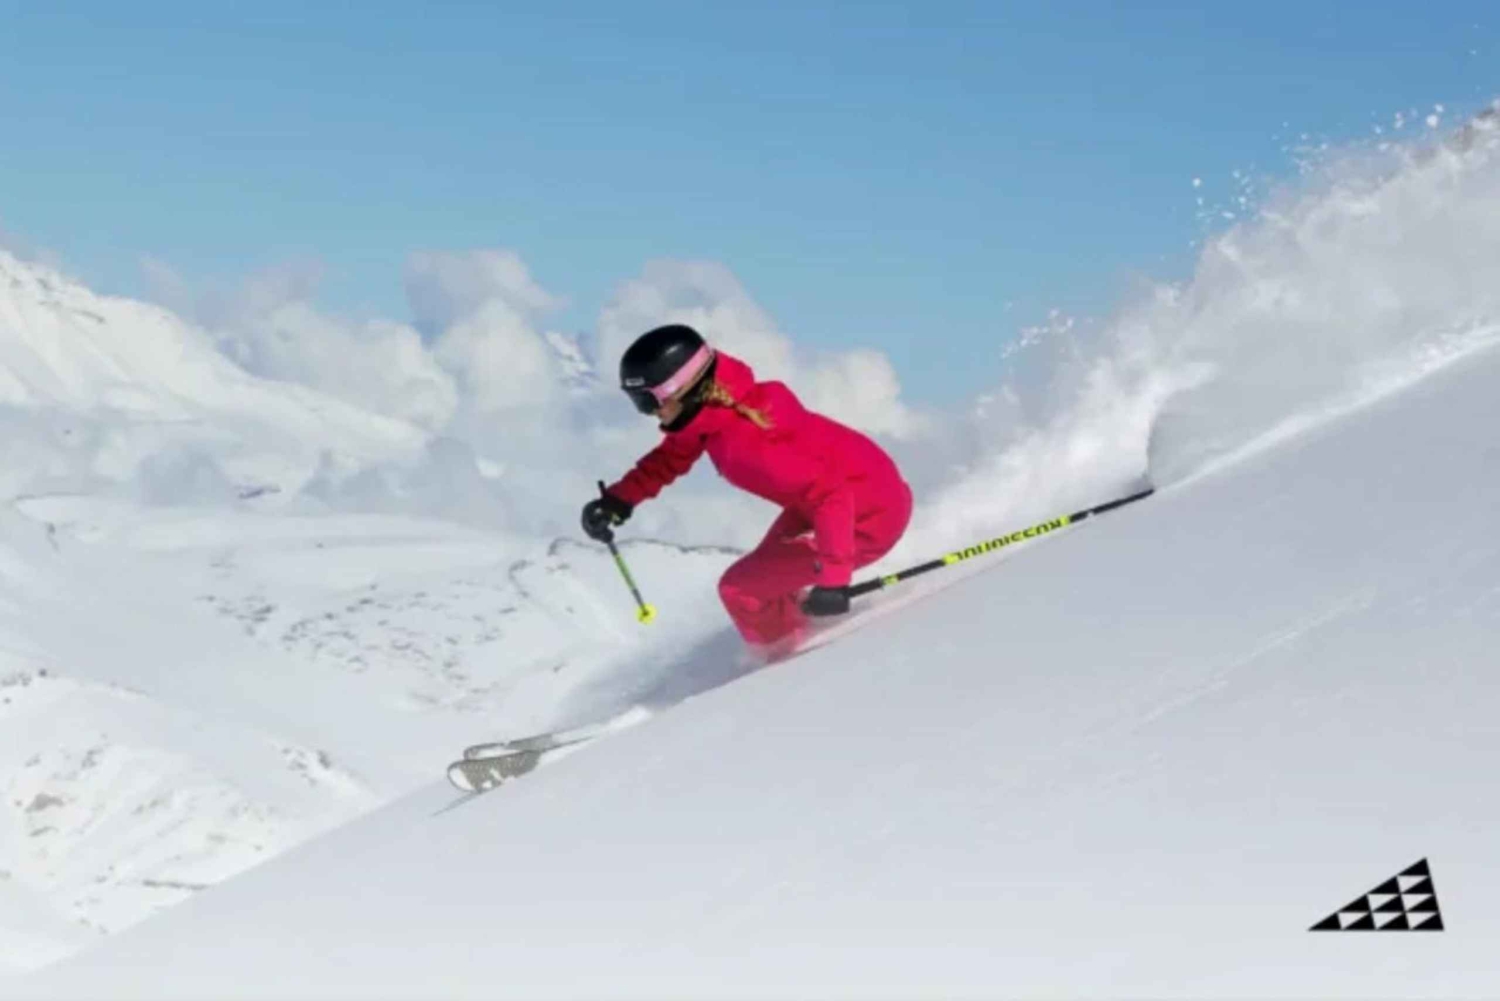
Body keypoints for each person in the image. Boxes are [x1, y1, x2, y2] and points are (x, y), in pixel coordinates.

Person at [581, 323, 913, 661]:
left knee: (739, 591)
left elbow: (833, 495)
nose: (649, 413)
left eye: (647, 401)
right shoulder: (719, 412)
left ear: (681, 389)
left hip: (866, 519)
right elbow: (672, 456)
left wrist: (834, 579)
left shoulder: (750, 443)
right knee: (763, 582)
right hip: (846, 498)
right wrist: (619, 499)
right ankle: (792, 630)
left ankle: (784, 666)